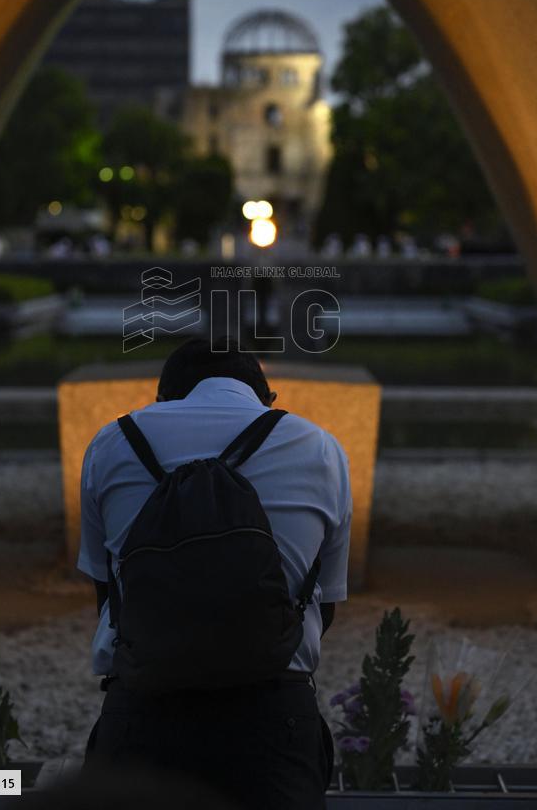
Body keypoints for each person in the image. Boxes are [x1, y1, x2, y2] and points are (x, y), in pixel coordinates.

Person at [78, 338, 352, 810]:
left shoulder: (112, 442)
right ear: (268, 400)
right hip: (273, 720)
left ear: (162, 397)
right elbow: (324, 606)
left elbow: (108, 595)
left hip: (143, 713)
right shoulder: (320, 447)